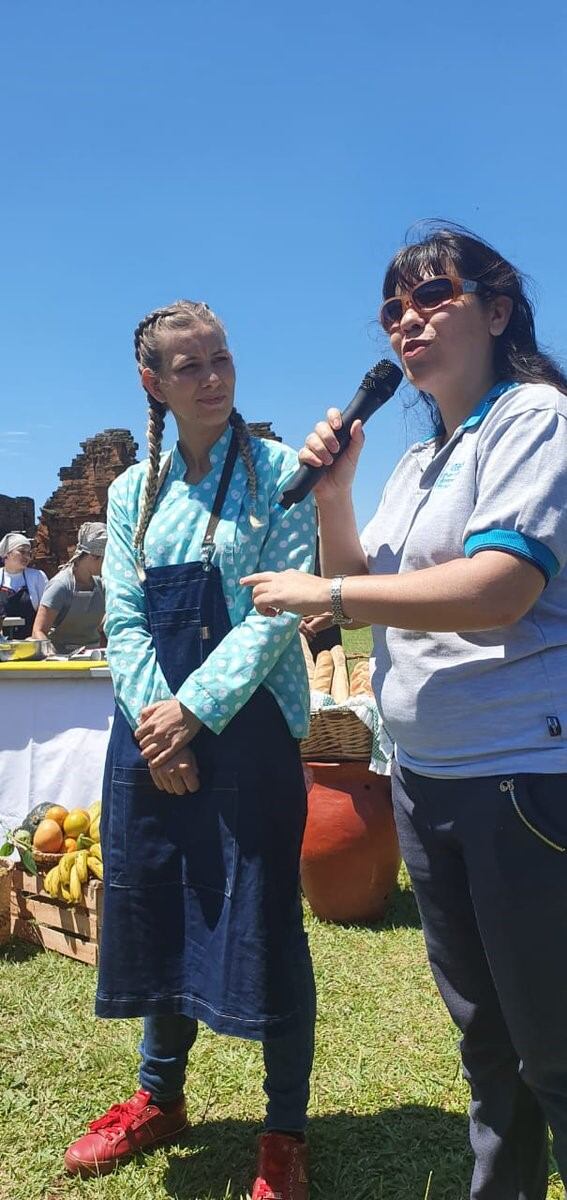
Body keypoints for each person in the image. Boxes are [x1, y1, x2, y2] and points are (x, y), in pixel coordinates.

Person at [243, 227, 567, 1200]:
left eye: (432, 296)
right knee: (489, 1051)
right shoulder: (418, 463)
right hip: (428, 785)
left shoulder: (534, 419)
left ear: (498, 311)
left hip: (520, 781)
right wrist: (336, 495)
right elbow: (359, 579)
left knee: (554, 1054)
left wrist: (330, 597)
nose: (406, 320)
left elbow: (500, 585)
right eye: (392, 310)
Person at [63, 300, 317, 1200]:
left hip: (248, 738)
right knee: (161, 916)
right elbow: (126, 620)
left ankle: (283, 1129)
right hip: (150, 738)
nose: (213, 379)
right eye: (189, 367)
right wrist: (157, 718)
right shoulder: (133, 492)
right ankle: (158, 1097)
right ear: (152, 384)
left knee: (267, 925)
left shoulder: (280, 475)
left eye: (222, 359)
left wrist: (196, 713)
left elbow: (273, 614)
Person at [32, 522, 107, 654]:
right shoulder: (61, 585)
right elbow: (38, 631)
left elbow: (99, 626)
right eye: (105, 559)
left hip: (93, 656)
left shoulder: (101, 585)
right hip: (61, 658)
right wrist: (53, 657)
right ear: (93, 556)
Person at [0, 532, 48, 638]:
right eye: (22, 552)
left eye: (29, 553)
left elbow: (47, 613)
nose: (27, 557)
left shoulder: (37, 577)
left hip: (30, 643)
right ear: (7, 554)